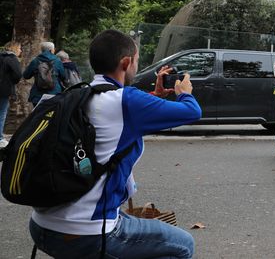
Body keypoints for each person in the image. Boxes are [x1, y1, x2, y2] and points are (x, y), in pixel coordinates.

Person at [28, 29, 201, 258]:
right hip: (86, 233)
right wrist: (184, 92)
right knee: (183, 244)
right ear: (127, 62)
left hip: (42, 225)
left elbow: (117, 118)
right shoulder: (126, 100)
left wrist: (155, 96)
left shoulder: (79, 95)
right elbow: (192, 111)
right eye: (137, 61)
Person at [22, 41, 66, 106]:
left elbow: (26, 75)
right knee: (52, 114)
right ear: (51, 50)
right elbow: (63, 76)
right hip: (54, 94)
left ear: (42, 50)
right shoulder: (57, 61)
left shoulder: (35, 61)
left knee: (38, 114)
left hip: (38, 95)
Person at [0, 41, 22, 148]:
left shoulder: (1, 56)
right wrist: (11, 82)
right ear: (14, 48)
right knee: (2, 113)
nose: (20, 51)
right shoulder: (12, 59)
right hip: (4, 90)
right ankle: (0, 138)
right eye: (19, 48)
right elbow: (18, 74)